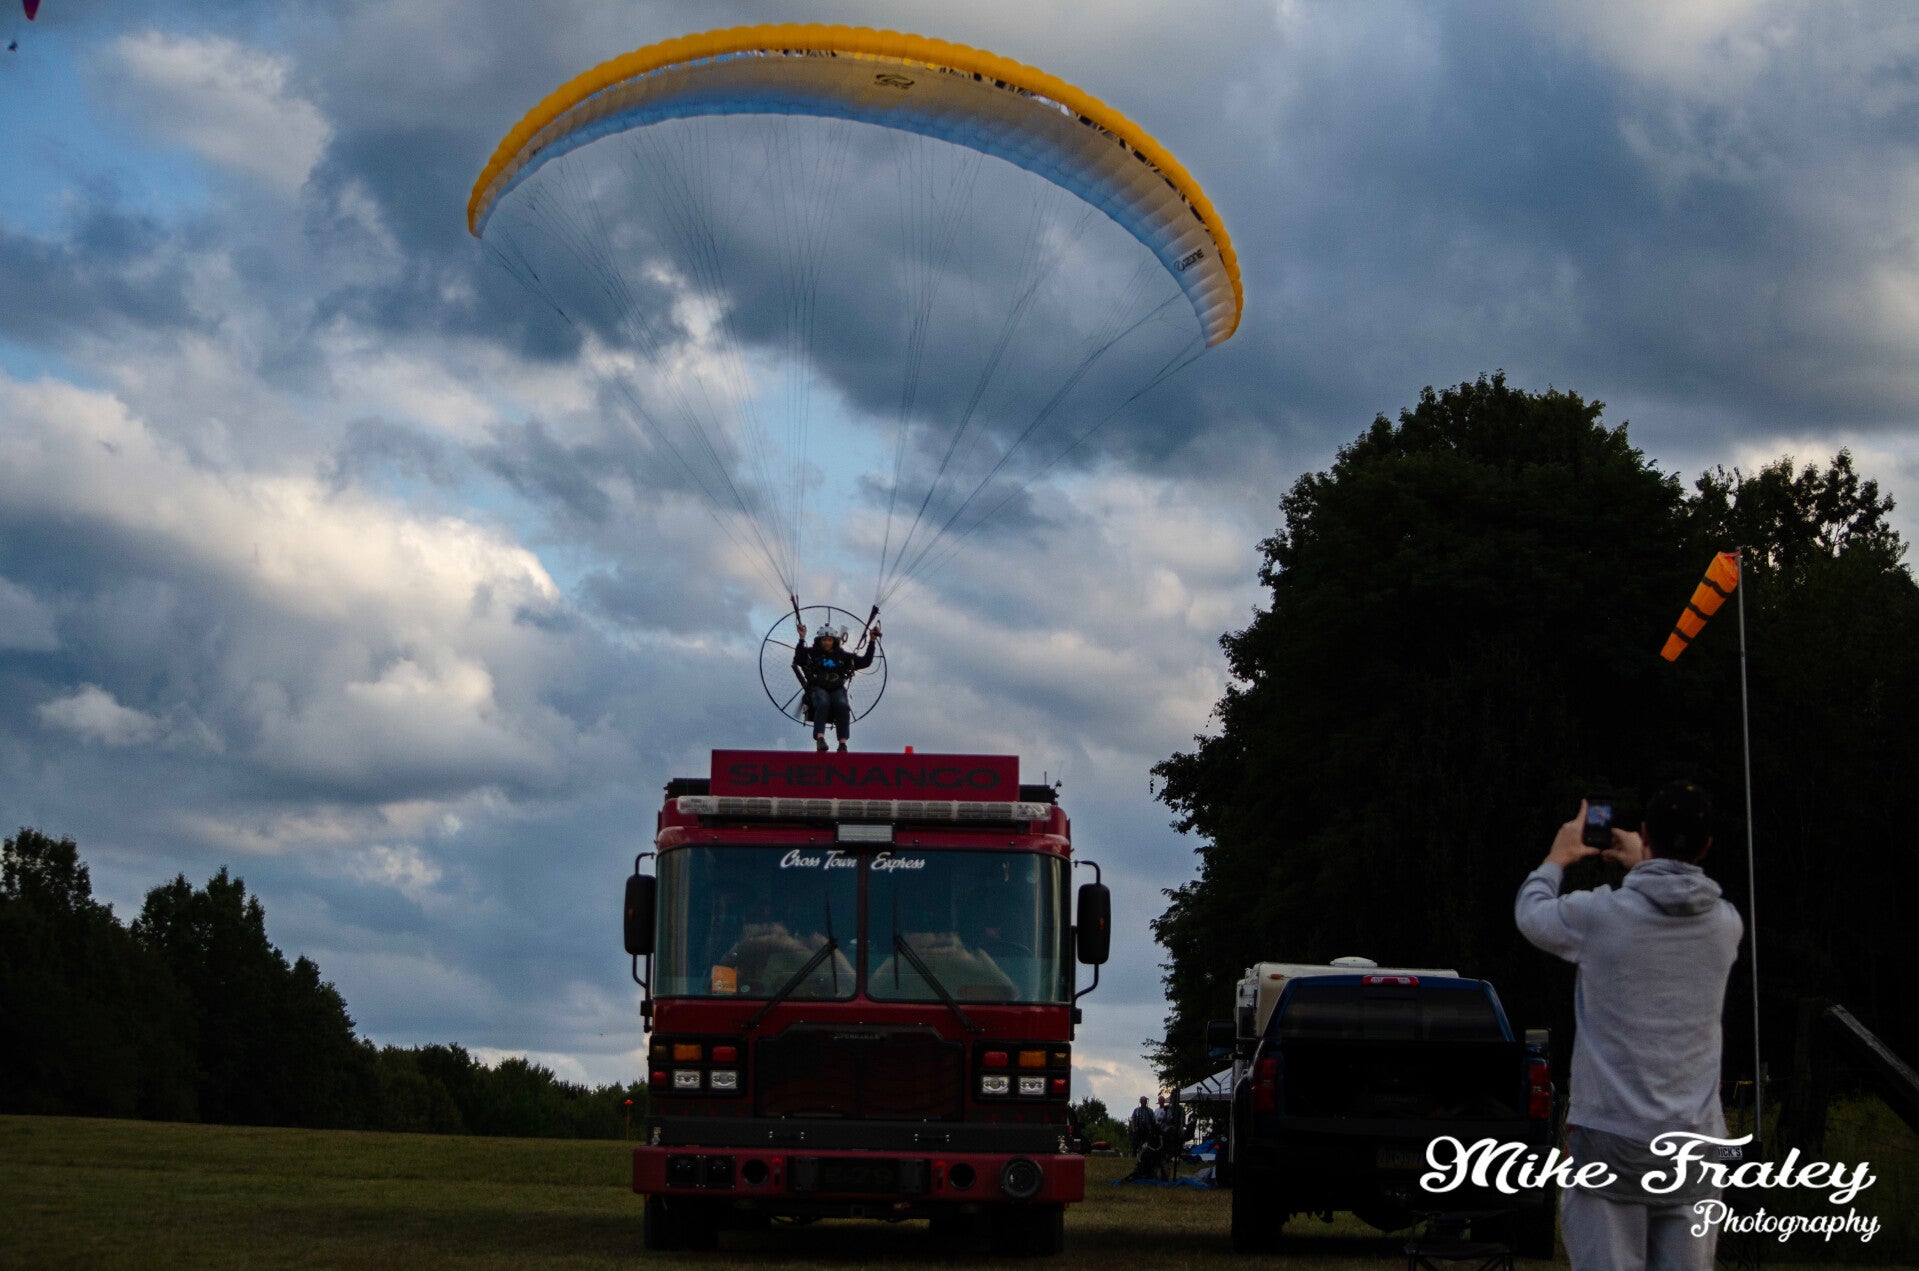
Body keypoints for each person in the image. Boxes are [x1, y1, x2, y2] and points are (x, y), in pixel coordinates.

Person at [1514, 782, 1743, 1270]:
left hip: (1610, 1139)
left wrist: (1558, 857)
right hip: (1694, 1146)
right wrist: (1648, 862)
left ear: (1645, 833)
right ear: (1707, 846)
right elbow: (1674, 895)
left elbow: (1531, 913)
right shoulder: (1725, 926)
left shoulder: (1601, 916)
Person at [792, 622, 878, 752]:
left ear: (834, 641)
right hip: (817, 687)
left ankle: (842, 744)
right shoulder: (812, 653)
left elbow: (865, 661)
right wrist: (801, 638)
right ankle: (820, 739)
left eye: (829, 640)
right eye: (824, 640)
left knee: (842, 705)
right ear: (819, 641)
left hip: (837, 688)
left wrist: (872, 641)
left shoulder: (843, 656)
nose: (827, 643)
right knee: (822, 702)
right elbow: (798, 659)